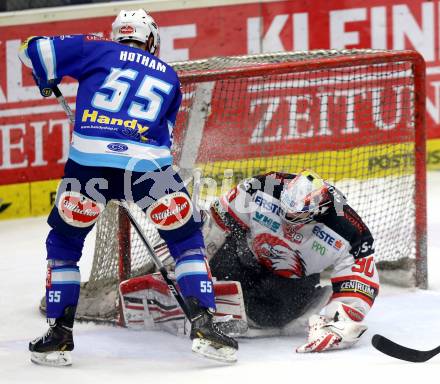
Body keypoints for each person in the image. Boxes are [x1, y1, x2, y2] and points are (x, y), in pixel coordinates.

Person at [18, 9, 237, 366]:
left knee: (64, 244)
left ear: (119, 34)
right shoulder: (168, 74)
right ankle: (206, 328)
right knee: (185, 241)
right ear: (150, 39)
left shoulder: (97, 49)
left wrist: (45, 77)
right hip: (149, 166)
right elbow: (164, 135)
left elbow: (32, 48)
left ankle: (58, 335)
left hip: (89, 164)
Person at [203, 169, 379, 352]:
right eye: (284, 209)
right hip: (248, 258)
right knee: (221, 262)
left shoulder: (351, 231)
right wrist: (194, 263)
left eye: (296, 217)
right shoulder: (261, 187)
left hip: (292, 282)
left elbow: (359, 282)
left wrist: (340, 322)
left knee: (272, 317)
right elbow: (218, 223)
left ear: (319, 212)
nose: (287, 220)